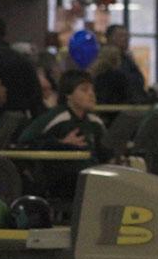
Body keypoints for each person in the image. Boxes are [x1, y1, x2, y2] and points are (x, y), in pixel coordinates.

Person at [18, 69, 109, 205]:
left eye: (92, 90)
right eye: (84, 90)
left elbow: (105, 151)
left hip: (92, 176)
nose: (91, 94)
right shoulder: (57, 117)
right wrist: (60, 143)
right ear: (68, 95)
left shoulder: (95, 122)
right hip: (62, 180)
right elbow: (24, 142)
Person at [104, 25, 147, 103]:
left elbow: (140, 80)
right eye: (121, 36)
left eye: (127, 36)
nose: (125, 39)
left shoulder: (127, 59)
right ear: (109, 38)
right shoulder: (104, 59)